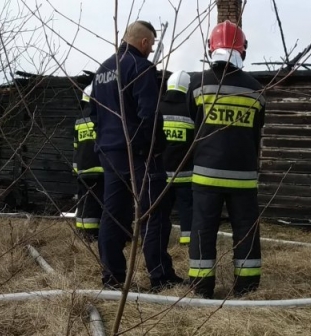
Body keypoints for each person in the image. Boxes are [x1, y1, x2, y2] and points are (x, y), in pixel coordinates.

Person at [89, 20, 184, 291]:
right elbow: (149, 114)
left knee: (113, 214)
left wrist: (108, 141)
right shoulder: (141, 67)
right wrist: (151, 147)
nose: (152, 50)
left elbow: (94, 115)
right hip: (138, 155)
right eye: (152, 45)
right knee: (154, 213)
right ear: (143, 42)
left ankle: (112, 277)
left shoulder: (103, 69)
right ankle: (160, 275)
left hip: (109, 153)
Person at [187, 20, 266, 299]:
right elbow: (256, 133)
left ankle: (201, 286)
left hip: (205, 174)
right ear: (242, 50)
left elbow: (191, 128)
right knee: (245, 231)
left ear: (211, 49)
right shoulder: (256, 90)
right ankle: (247, 288)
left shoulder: (197, 84)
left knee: (202, 230)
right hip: (243, 176)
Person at [159, 70, 195, 246]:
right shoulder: (191, 111)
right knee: (187, 207)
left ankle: (160, 239)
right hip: (186, 173)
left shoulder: (157, 109)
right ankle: (187, 239)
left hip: (161, 173)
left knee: (161, 209)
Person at [73, 84, 103, 242]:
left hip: (83, 169)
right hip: (101, 169)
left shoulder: (79, 120)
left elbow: (76, 147)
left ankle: (83, 234)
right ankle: (93, 235)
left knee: (84, 201)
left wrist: (76, 169)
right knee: (99, 202)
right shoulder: (103, 118)